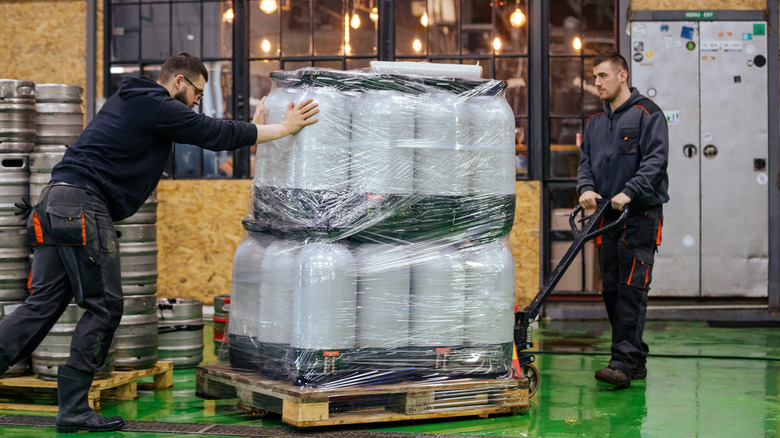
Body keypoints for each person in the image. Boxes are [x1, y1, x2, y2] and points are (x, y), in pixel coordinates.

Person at [0, 52, 318, 433]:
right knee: (104, 308)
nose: (198, 101)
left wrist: (252, 129)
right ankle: (73, 409)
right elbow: (211, 134)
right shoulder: (157, 104)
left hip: (55, 202)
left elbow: (212, 131)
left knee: (43, 304)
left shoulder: (136, 101)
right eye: (197, 92)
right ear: (179, 82)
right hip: (82, 206)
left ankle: (70, 406)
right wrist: (284, 128)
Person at [577, 52, 668, 389]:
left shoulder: (648, 114)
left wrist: (630, 191)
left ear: (622, 76)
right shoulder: (595, 123)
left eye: (602, 76)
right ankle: (636, 357)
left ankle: (622, 362)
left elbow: (655, 162)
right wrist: (585, 188)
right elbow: (585, 162)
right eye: (594, 77)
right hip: (607, 219)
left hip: (640, 216)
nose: (596, 83)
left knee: (632, 290)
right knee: (612, 290)